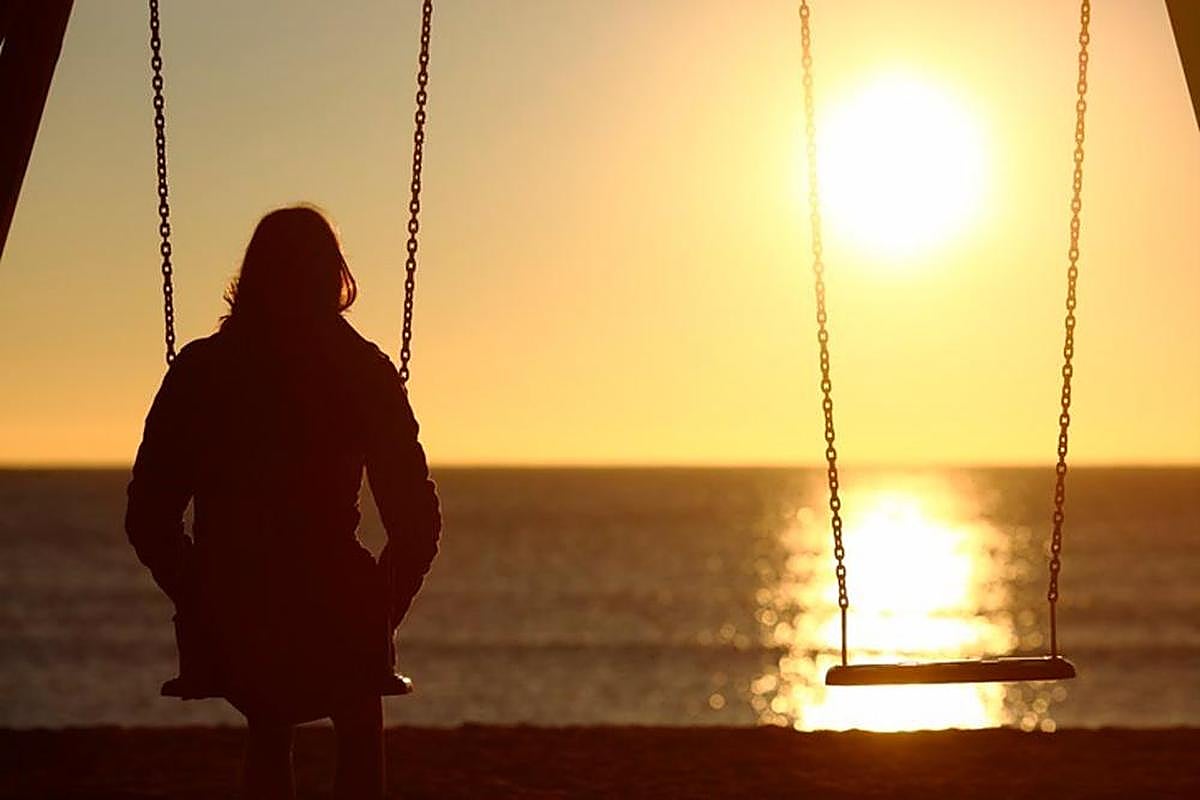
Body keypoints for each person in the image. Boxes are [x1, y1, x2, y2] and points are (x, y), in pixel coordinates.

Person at [125, 205, 441, 800]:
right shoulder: (361, 371)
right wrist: (380, 609)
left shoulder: (202, 370)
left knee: (268, 719)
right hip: (336, 614)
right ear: (334, 278)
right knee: (357, 707)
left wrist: (197, 594)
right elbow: (416, 522)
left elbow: (148, 514)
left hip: (234, 612)